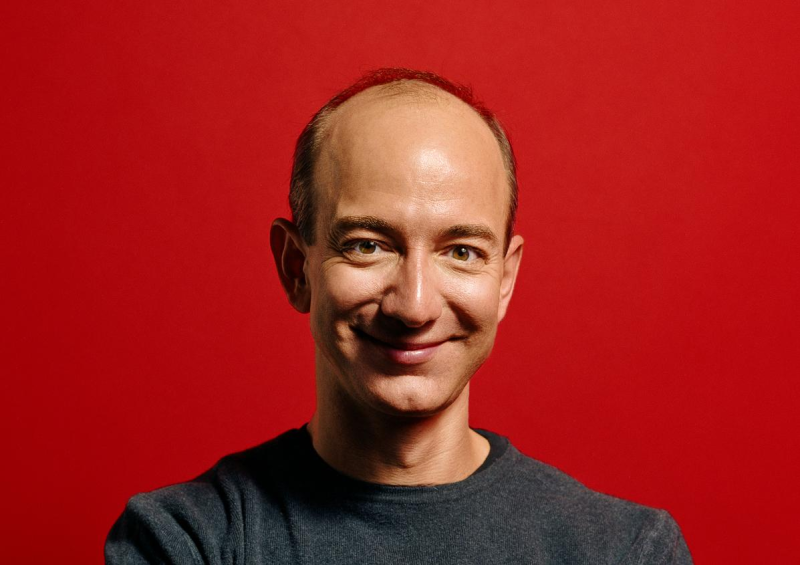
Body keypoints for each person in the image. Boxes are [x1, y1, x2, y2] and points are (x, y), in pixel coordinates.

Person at [106, 68, 693, 564]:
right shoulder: (185, 542)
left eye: (461, 252)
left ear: (504, 279)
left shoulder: (626, 551)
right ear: (296, 267)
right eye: (367, 245)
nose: (414, 306)